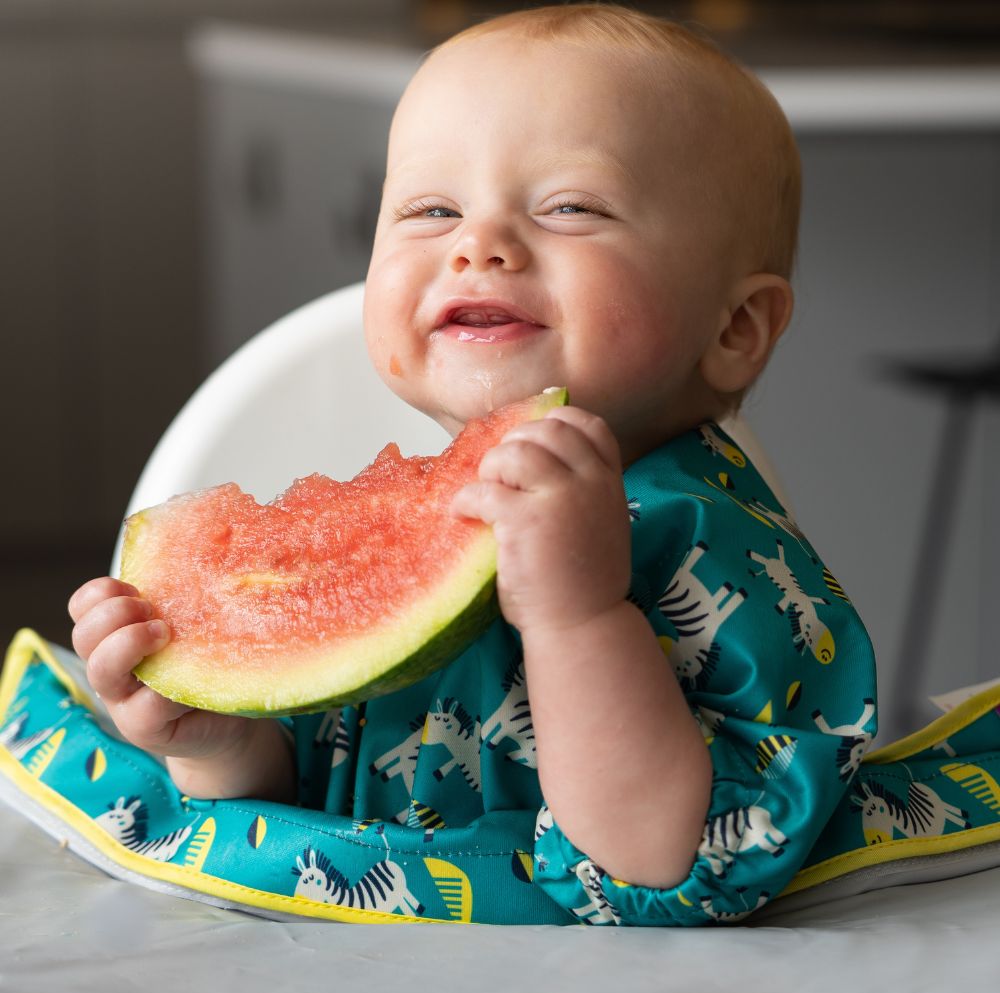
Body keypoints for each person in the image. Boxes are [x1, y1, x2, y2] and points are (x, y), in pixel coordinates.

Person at [66, 4, 877, 925]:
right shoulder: (435, 511)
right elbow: (336, 806)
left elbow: (663, 865)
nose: (477, 243)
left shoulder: (711, 541)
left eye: (570, 207)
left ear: (734, 328)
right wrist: (220, 744)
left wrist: (577, 616)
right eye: (430, 209)